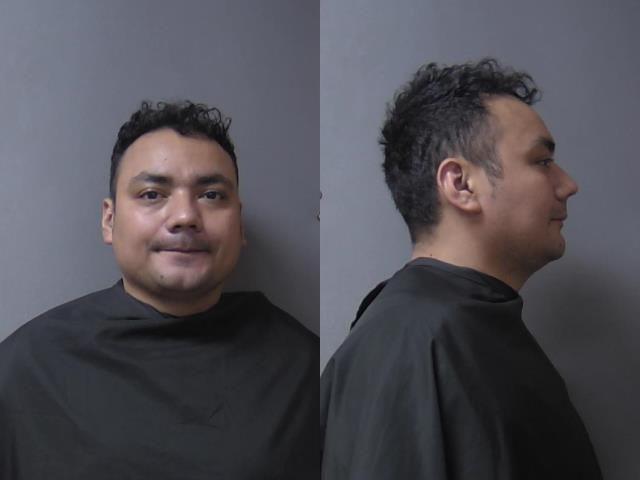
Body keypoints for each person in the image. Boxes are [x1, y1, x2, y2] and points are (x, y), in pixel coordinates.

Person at [0, 101, 318, 479]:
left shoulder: (304, 369)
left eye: (211, 195)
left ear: (239, 224)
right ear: (109, 220)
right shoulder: (26, 368)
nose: (185, 216)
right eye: (152, 194)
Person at [320, 59, 603, 479]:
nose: (567, 184)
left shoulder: (459, 324)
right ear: (461, 184)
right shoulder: (413, 338)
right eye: (542, 161)